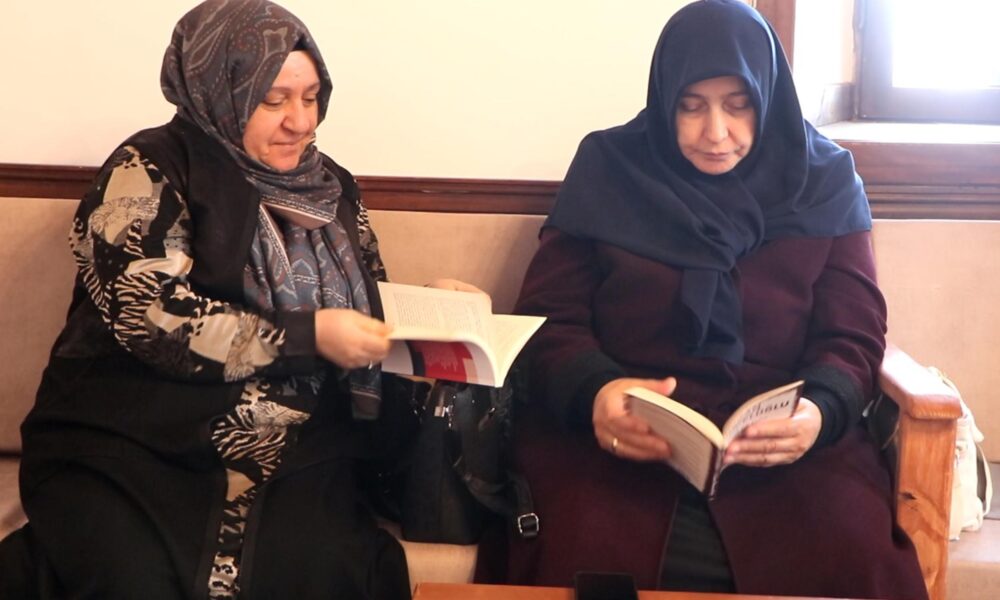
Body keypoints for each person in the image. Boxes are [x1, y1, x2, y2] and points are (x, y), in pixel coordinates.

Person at [0, 1, 479, 598]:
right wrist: (306, 337)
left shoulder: (332, 187)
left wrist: (429, 308)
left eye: (311, 98)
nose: (300, 122)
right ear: (218, 91)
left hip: (300, 444)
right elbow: (150, 317)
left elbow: (365, 310)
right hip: (141, 437)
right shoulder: (147, 170)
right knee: (133, 574)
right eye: (273, 101)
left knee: (324, 564)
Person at [478, 1, 928, 598]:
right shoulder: (610, 168)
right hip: (622, 438)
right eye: (691, 107)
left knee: (853, 554)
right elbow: (549, 317)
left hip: (784, 448)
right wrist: (596, 394)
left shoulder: (824, 179)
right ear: (665, 100)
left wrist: (820, 412)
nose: (715, 133)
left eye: (738, 105)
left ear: (767, 97)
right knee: (584, 548)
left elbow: (854, 333)